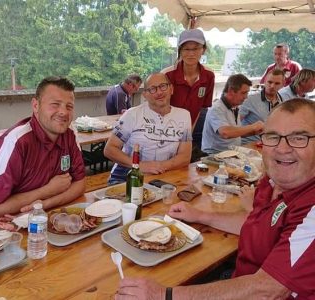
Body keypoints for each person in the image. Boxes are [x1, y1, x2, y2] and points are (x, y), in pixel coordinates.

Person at [116, 98, 315, 299]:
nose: (282, 148)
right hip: (239, 280)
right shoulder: (272, 182)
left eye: (299, 138)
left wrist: (163, 295)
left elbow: (266, 290)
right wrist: (199, 215)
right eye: (273, 136)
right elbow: (255, 223)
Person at [0, 76, 86, 218]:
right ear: (36, 106)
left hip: (50, 217)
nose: (63, 112)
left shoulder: (69, 133)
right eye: (55, 104)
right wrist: (47, 191)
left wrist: (45, 204)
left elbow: (80, 184)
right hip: (11, 225)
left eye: (69, 106)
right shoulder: (16, 142)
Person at [104, 72, 192, 184]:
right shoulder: (132, 114)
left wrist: (158, 166)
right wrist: (140, 166)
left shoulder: (184, 116)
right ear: (145, 95)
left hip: (165, 176)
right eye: (152, 89)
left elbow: (185, 157)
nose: (159, 92)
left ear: (171, 89)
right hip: (127, 177)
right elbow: (109, 149)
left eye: (163, 86)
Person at [162, 29, 214, 159]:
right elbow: (158, 108)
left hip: (187, 133)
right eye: (186, 49)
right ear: (180, 51)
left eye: (196, 48)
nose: (191, 53)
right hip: (163, 133)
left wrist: (188, 133)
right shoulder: (167, 75)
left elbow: (200, 108)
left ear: (203, 49)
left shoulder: (208, 76)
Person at [201, 74, 264, 154]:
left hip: (231, 153)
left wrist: (255, 132)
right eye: (243, 93)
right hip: (214, 156)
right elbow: (225, 133)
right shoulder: (217, 108)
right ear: (231, 91)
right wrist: (253, 127)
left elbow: (236, 133)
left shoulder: (234, 107)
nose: (246, 97)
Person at [240, 69, 285, 144]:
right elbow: (234, 124)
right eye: (270, 82)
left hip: (271, 144)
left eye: (277, 83)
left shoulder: (283, 102)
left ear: (283, 84)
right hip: (249, 145)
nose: (272, 86)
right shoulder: (249, 99)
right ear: (264, 81)